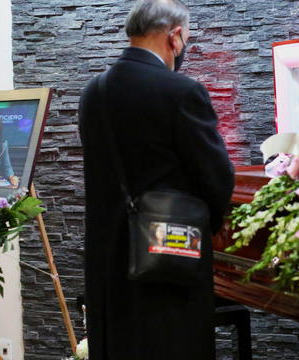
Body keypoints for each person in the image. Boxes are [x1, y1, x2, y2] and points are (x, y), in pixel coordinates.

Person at [78, 0, 235, 358]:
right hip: (165, 258)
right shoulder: (181, 91)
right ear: (175, 36)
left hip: (108, 261)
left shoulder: (93, 92)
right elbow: (217, 177)